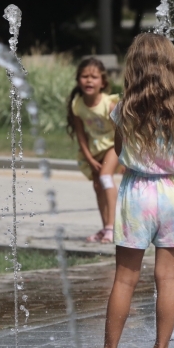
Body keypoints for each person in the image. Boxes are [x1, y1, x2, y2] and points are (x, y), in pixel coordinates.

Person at [86, 33, 174, 348]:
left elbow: (121, 150)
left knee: (125, 278)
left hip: (137, 193)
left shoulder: (122, 110)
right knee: (167, 278)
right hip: (171, 194)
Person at [67, 58, 119, 243]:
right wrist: (89, 158)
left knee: (106, 177)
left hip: (114, 145)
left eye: (94, 77)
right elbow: (81, 135)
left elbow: (121, 132)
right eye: (84, 76)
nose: (89, 80)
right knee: (98, 186)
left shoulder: (109, 104)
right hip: (95, 149)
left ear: (103, 82)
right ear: (78, 80)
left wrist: (128, 156)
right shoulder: (78, 105)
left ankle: (112, 228)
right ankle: (106, 227)